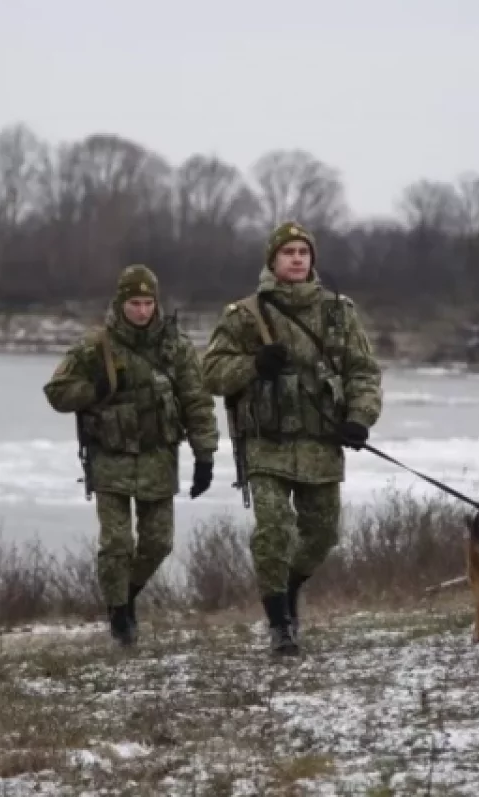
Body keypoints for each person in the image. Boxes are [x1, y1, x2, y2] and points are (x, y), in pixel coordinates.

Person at [201, 221, 383, 654]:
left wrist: (359, 418)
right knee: (274, 531)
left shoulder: (339, 311)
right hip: (267, 443)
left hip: (321, 440)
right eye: (289, 252)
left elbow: (363, 372)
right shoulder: (245, 315)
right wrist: (253, 365)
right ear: (273, 261)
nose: (297, 259)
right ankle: (280, 623)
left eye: (304, 252)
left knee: (322, 535)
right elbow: (210, 372)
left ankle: (289, 587)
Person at [43, 264, 218, 647]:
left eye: (148, 302)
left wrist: (205, 455)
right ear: (121, 303)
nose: (142, 310)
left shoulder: (176, 346)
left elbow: (197, 400)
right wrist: (95, 389)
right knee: (117, 543)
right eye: (135, 303)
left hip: (159, 457)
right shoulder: (96, 346)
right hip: (111, 459)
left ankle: (125, 598)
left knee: (158, 543)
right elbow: (56, 392)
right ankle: (120, 616)